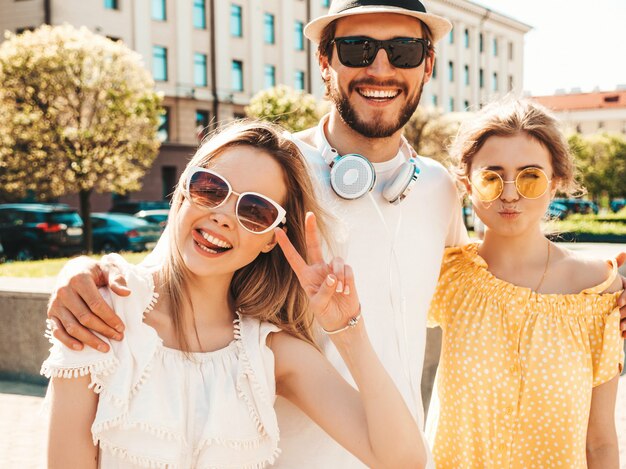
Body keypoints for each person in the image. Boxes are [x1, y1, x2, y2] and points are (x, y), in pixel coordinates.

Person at [44, 1, 626, 467]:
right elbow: (178, 257)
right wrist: (80, 276)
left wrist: (607, 288)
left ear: (427, 65)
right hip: (275, 455)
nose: (380, 68)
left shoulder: (442, 192)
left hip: (393, 453)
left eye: (403, 50)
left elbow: (494, 279)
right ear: (326, 63)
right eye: (356, 48)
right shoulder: (269, 173)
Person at [43, 120, 427, 468]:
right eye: (210, 188)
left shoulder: (268, 353)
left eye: (255, 210)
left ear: (270, 240)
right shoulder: (99, 315)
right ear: (182, 193)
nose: (223, 216)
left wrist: (348, 331)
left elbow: (402, 460)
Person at [426, 99, 623, 469]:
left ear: (556, 182)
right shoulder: (446, 276)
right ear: (468, 184)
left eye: (530, 176)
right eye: (492, 177)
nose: (511, 194)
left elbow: (599, 442)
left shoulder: (599, 292)